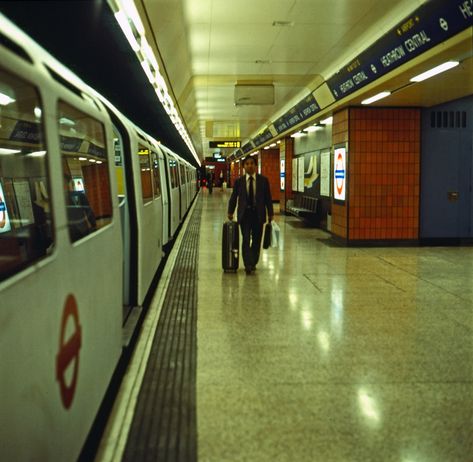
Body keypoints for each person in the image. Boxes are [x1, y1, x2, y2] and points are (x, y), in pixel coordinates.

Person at [227, 155, 274, 274]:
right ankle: (248, 264)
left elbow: (268, 198)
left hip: (258, 215)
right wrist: (230, 211)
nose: (249, 165)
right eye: (247, 164)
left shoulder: (263, 180)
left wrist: (271, 213)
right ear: (243, 166)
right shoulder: (239, 181)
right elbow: (234, 197)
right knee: (246, 239)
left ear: (255, 165)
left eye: (252, 163)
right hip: (245, 215)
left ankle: (253, 262)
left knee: (257, 240)